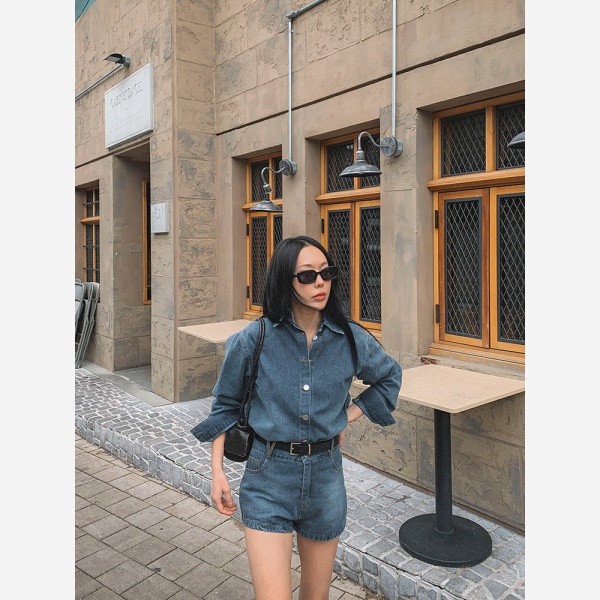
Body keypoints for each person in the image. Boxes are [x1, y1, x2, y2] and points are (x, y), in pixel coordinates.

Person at [191, 235, 402, 600]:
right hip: (268, 476)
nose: (320, 283)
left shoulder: (350, 338)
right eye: (307, 275)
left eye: (326, 273)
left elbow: (389, 377)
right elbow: (226, 405)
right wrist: (217, 471)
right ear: (284, 281)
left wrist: (346, 416)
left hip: (326, 480)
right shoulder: (254, 338)